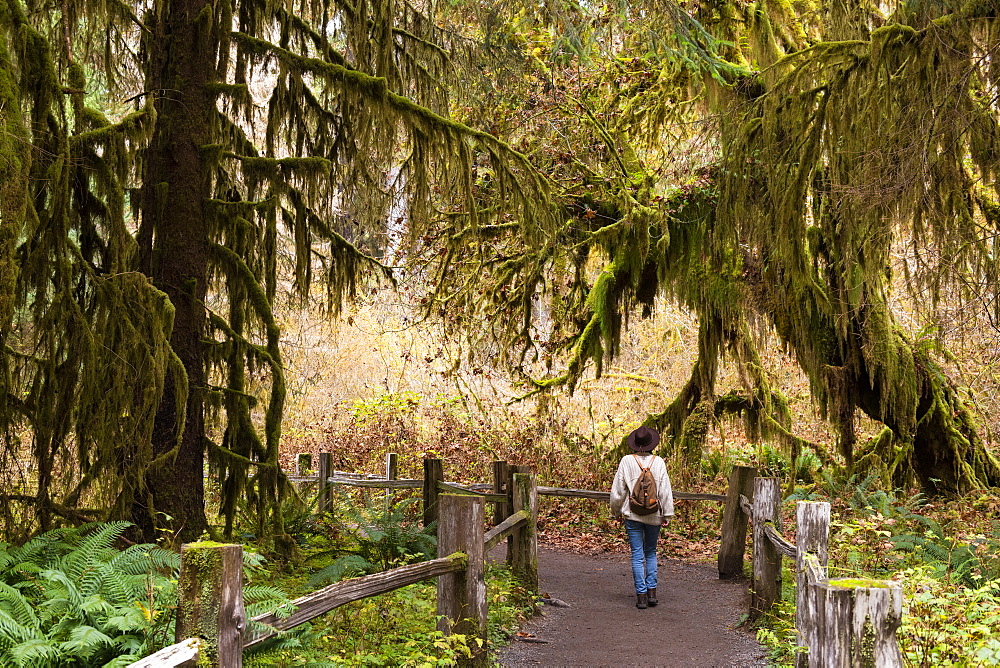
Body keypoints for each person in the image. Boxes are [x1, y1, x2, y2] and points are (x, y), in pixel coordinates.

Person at [610, 426, 674, 609]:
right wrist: (667, 513)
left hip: (633, 514)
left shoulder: (626, 461)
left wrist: (616, 511)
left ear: (635, 443)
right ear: (651, 443)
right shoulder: (659, 462)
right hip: (654, 515)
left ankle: (641, 597)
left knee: (637, 555)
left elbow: (618, 491)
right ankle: (652, 592)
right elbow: (665, 490)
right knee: (651, 552)